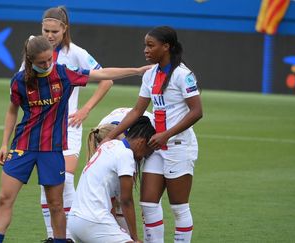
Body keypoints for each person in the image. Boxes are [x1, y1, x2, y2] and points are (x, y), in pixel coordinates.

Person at [0, 35, 150, 243]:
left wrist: (136, 71)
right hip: (23, 145)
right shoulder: (19, 81)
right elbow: (12, 111)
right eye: (41, 62)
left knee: (56, 204)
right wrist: (4, 143)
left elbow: (102, 74)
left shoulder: (63, 74)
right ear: (30, 61)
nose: (47, 65)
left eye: (49, 60)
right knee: (4, 199)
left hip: (53, 149)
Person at [102, 26, 203, 243]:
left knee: (179, 208)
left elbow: (197, 112)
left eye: (151, 45)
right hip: (157, 147)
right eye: (145, 45)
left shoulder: (183, 75)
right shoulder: (150, 75)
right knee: (147, 203)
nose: (146, 50)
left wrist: (166, 134)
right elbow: (137, 111)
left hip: (179, 146)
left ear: (166, 47)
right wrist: (110, 137)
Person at [36, 7, 114, 240]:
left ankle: (68, 236)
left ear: (64, 29)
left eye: (54, 31)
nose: (49, 35)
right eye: (45, 30)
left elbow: (106, 80)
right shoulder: (34, 50)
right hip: (42, 127)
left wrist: (85, 109)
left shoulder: (76, 53)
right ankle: (52, 236)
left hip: (69, 126)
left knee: (66, 180)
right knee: (47, 184)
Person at [68, 116, 156, 243]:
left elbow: (111, 200)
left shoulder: (109, 145)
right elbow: (127, 201)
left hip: (75, 221)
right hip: (93, 220)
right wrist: (134, 237)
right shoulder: (126, 155)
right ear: (141, 142)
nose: (144, 157)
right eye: (148, 152)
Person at [87, 108, 154, 234]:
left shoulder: (132, 143)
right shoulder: (100, 135)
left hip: (152, 134)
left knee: (142, 199)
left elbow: (126, 197)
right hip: (117, 128)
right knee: (116, 194)